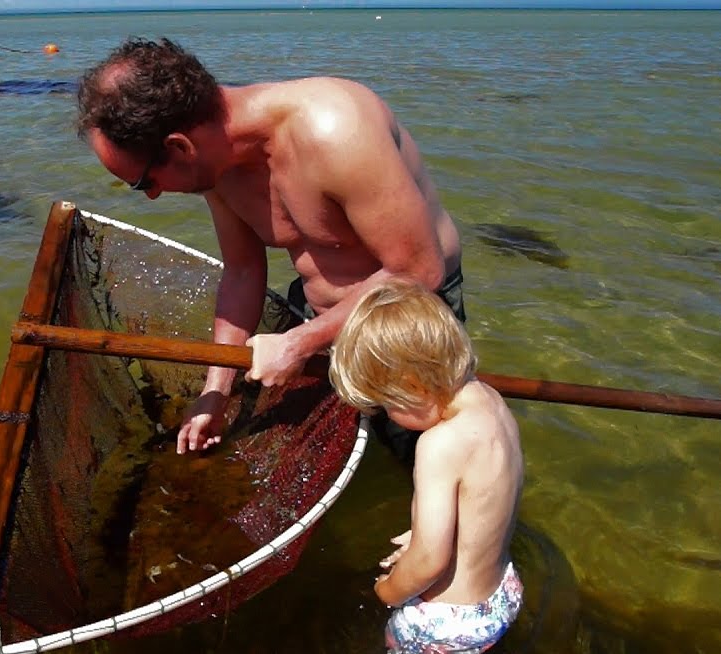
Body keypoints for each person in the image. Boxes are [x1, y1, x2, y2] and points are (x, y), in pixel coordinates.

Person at [75, 38, 464, 459]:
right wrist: (215, 391)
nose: (152, 196)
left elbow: (419, 270)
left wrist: (298, 344)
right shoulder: (217, 167)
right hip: (317, 322)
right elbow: (243, 271)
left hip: (403, 320)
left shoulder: (337, 130)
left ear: (179, 147)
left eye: (143, 182)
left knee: (429, 460)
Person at [327, 280, 524, 654]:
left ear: (414, 387)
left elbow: (431, 561)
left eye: (387, 405)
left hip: (445, 623)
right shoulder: (491, 401)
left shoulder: (438, 444)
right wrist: (420, 533)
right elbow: (483, 503)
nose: (387, 415)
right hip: (501, 592)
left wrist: (385, 592)